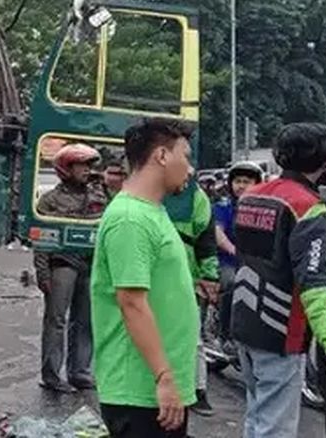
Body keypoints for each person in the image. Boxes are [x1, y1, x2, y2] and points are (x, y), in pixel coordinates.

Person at [230, 123, 326, 438]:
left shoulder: (251, 196)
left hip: (243, 322)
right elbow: (316, 285)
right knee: (274, 428)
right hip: (280, 334)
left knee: (256, 417)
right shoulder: (310, 212)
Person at [91, 118, 199, 437]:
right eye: (186, 156)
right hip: (140, 390)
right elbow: (131, 304)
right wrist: (164, 377)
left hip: (158, 388)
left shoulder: (152, 210)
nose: (190, 169)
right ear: (162, 156)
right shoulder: (131, 219)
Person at [34, 143, 107, 393]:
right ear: (66, 168)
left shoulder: (99, 196)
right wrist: (42, 273)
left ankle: (80, 372)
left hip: (90, 263)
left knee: (85, 320)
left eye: (89, 165)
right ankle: (52, 375)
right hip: (62, 263)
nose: (87, 170)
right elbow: (41, 240)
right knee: (56, 321)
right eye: (81, 165)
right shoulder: (49, 200)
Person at [175, 186, 220, 416]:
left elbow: (206, 239)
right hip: (149, 276)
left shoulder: (195, 197)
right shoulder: (143, 187)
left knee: (193, 337)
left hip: (186, 277)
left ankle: (197, 390)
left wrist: (210, 275)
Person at [213, 162, 265, 342]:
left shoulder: (265, 208)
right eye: (238, 181)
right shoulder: (224, 206)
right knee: (233, 284)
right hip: (227, 262)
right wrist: (234, 251)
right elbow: (217, 232)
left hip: (255, 262)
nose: (241, 185)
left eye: (247, 181)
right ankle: (225, 336)